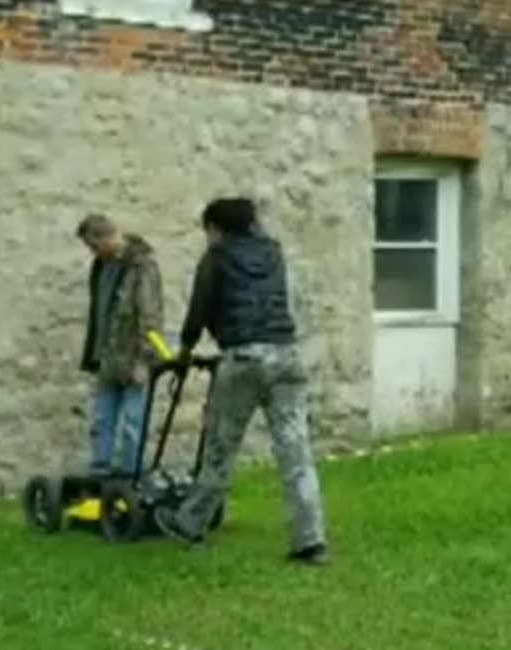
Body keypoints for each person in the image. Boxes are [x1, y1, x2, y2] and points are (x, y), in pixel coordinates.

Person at [155, 198, 328, 566]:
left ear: (216, 227)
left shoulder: (216, 258)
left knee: (221, 446)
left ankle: (190, 524)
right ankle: (310, 539)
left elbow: (199, 310)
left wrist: (184, 352)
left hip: (243, 358)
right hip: (285, 355)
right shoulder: (274, 254)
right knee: (296, 452)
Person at [75, 213, 165, 477]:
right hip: (108, 356)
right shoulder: (101, 268)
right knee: (102, 419)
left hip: (134, 356)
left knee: (133, 422)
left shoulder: (141, 267)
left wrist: (145, 359)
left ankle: (130, 473)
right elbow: (99, 314)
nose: (92, 252)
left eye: (93, 246)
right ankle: (100, 471)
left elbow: (149, 315)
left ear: (106, 237)